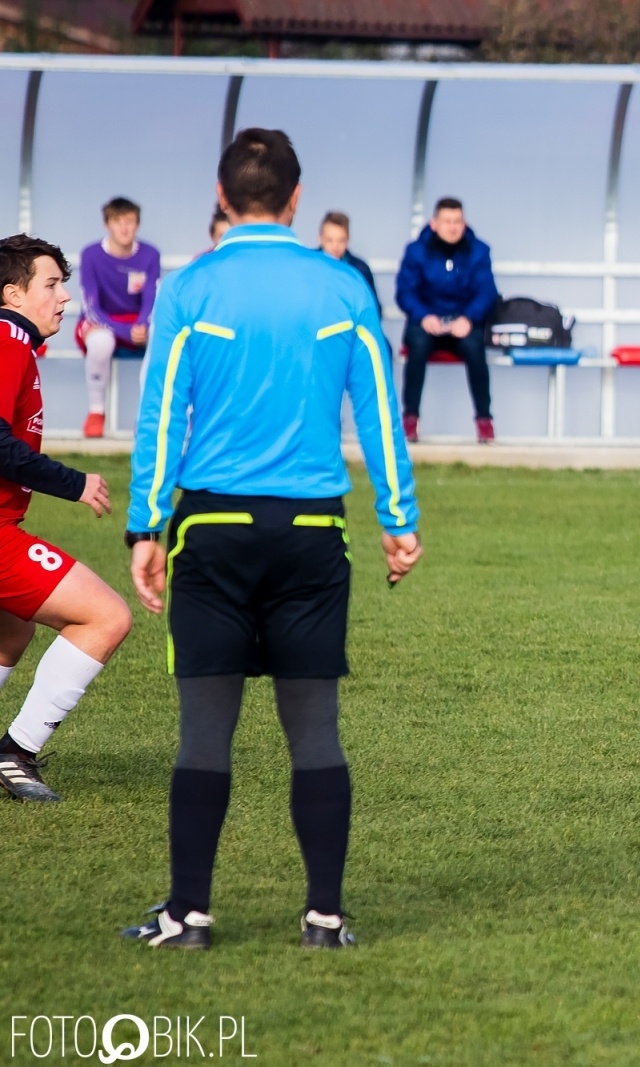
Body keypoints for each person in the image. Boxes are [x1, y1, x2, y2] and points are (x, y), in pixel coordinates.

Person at [121, 128, 422, 950]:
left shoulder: (191, 288)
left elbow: (158, 414)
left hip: (211, 528)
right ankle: (324, 918)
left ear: (222, 197)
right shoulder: (342, 286)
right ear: (295, 200)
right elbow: (380, 416)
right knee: (315, 730)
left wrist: (146, 525)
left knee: (204, 732)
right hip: (312, 533)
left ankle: (188, 916)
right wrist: (399, 521)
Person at [0, 235, 131, 803]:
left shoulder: (18, 344)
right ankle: (17, 753)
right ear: (12, 293)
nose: (65, 298)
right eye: (51, 284)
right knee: (106, 616)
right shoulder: (7, 340)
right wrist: (75, 483)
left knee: (13, 627)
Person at [395, 197, 498, 444]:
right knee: (416, 345)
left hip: (462, 324)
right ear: (434, 224)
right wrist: (423, 316)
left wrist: (468, 318)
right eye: (447, 221)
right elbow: (405, 292)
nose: (453, 227)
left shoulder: (479, 251)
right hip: (427, 323)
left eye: (458, 221)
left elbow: (487, 292)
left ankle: (484, 420)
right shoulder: (416, 251)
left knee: (475, 347)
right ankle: (410, 418)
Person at [77, 197, 160, 438]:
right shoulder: (91, 254)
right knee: (101, 342)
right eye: (118, 221)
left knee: (160, 338)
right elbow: (90, 305)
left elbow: (151, 297)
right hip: (102, 320)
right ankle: (96, 412)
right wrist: (124, 332)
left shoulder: (150, 254)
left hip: (136, 321)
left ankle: (146, 416)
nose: (124, 228)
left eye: (130, 221)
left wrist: (143, 324)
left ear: (137, 225)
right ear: (107, 225)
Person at [318, 211, 379, 309]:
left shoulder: (361, 269)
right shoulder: (308, 266)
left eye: (341, 240)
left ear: (348, 240)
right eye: (329, 240)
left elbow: (373, 308)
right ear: (320, 238)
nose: (335, 246)